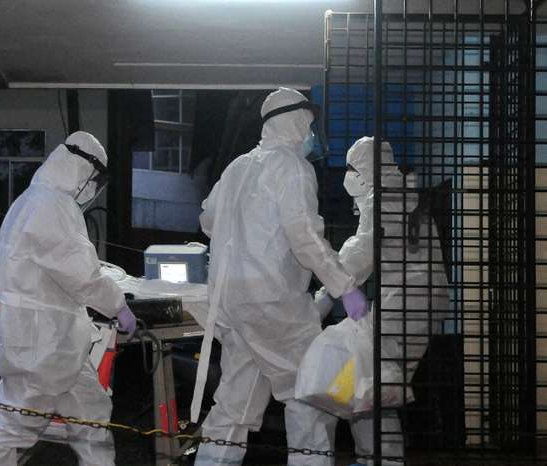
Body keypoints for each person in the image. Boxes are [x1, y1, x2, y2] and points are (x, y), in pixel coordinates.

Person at [191, 88, 368, 466]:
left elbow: (207, 220)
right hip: (276, 303)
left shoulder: (238, 166)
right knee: (308, 396)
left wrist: (243, 232)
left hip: (231, 303)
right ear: (297, 121)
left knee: (235, 400)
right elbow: (304, 237)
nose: (312, 134)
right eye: (309, 125)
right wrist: (345, 287)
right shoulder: (292, 166)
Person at [0, 131, 137, 466]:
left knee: (91, 413)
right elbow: (81, 274)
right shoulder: (51, 205)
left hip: (57, 343)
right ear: (82, 170)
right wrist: (118, 305)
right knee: (13, 428)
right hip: (41, 345)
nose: (93, 189)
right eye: (94, 180)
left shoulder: (32, 200)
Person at [312, 137, 449, 466]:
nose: (347, 177)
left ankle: (381, 459)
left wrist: (321, 300)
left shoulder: (383, 197)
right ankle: (372, 457)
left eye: (350, 168)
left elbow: (361, 252)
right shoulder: (400, 192)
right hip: (417, 300)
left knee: (368, 384)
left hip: (406, 301)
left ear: (363, 170)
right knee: (369, 384)